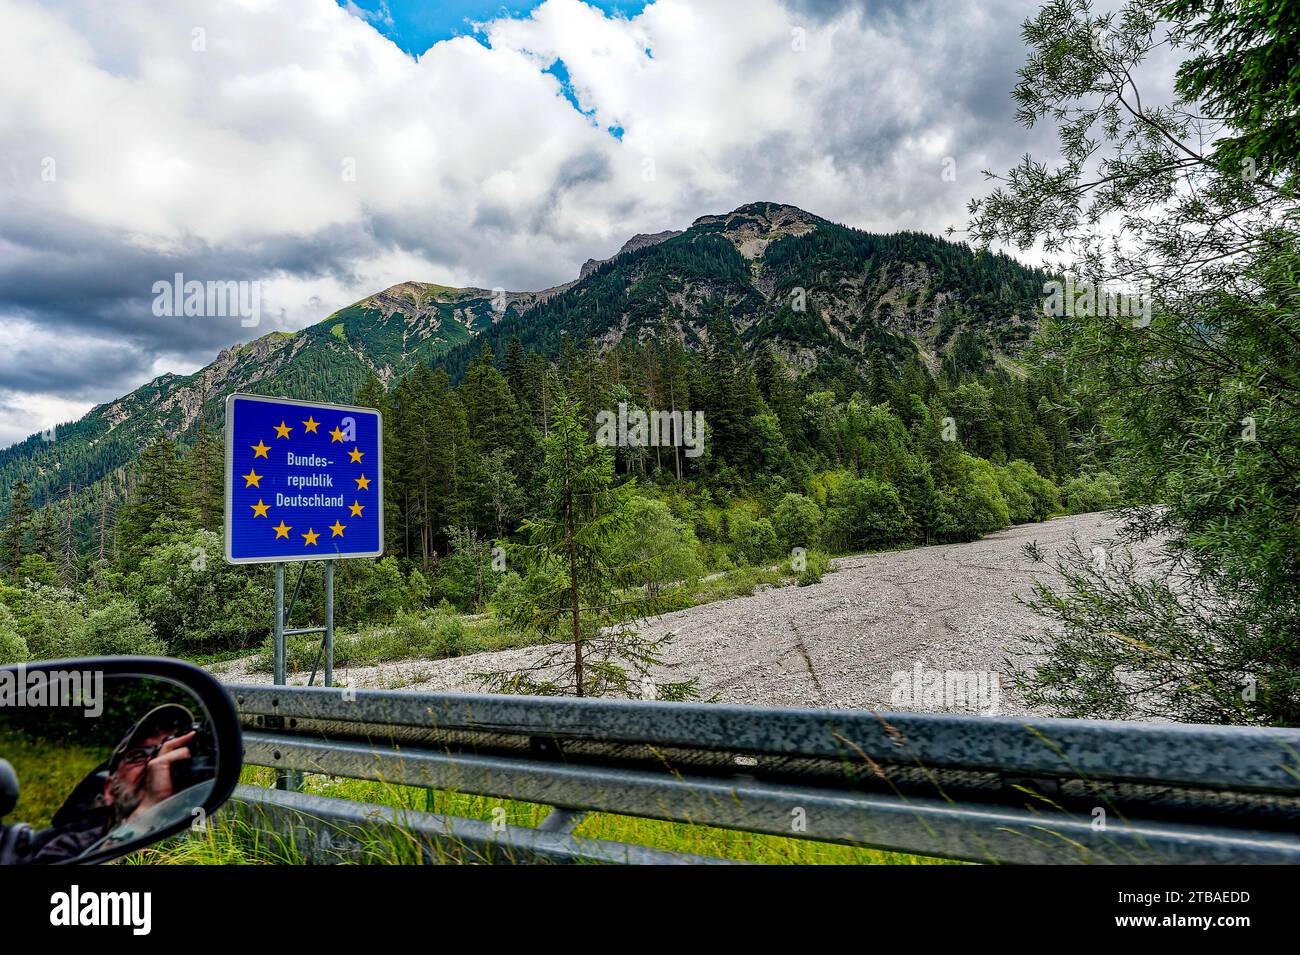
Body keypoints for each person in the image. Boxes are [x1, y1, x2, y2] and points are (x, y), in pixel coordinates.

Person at [23, 704, 206, 864]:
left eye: (174, 749)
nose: (156, 763)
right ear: (109, 789)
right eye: (139, 756)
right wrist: (145, 815)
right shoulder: (71, 847)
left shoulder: (208, 827)